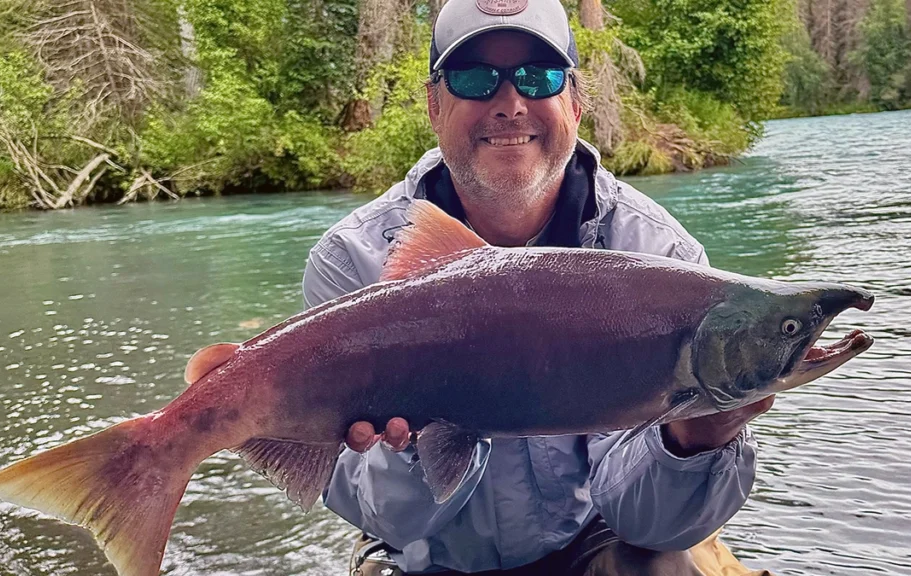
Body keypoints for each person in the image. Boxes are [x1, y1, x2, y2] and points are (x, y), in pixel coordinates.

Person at [302, 0, 774, 573]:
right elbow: (384, 516)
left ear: (574, 102)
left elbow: (651, 526)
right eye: (473, 78)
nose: (510, 103)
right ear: (434, 106)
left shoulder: (661, 256)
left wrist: (694, 442)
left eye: (538, 76)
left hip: (589, 538)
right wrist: (413, 448)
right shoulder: (352, 260)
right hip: (422, 558)